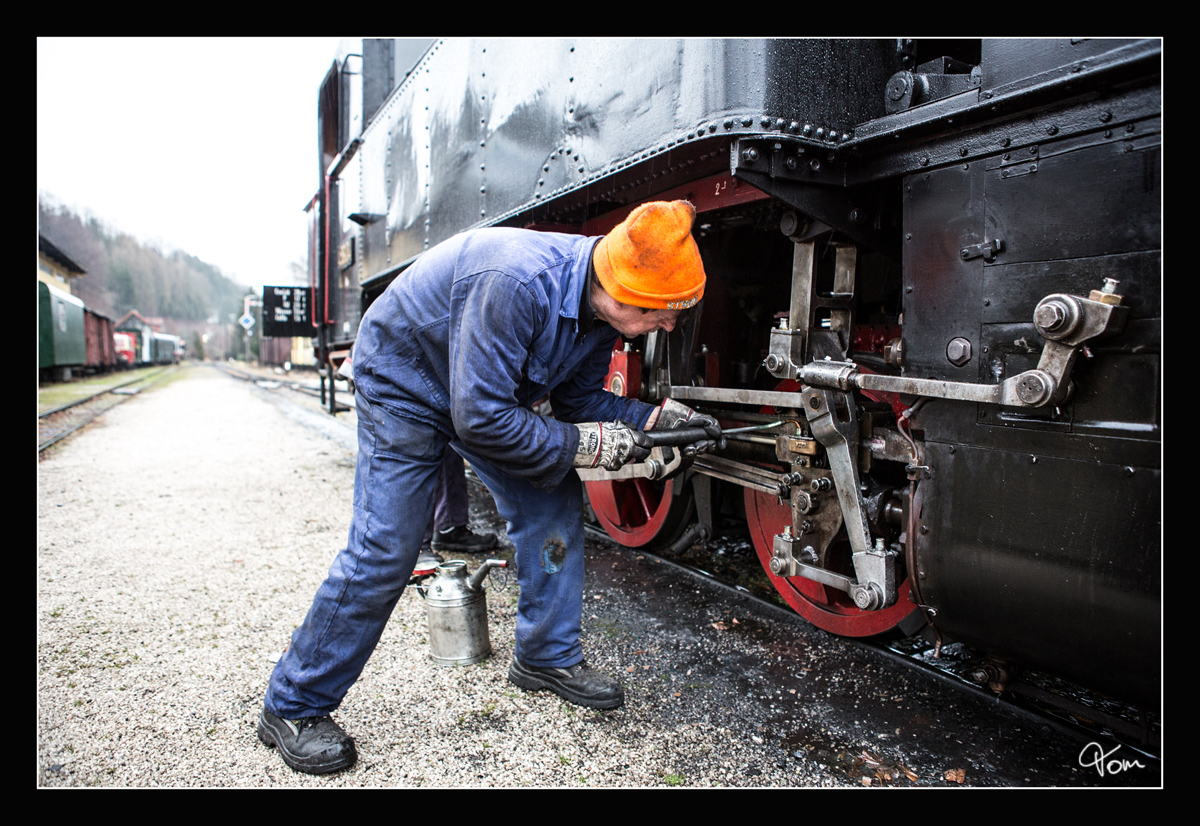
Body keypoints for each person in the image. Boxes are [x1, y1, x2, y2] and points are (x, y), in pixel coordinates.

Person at [257, 200, 722, 775]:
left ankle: (545, 657)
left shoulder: (599, 315)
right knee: (387, 548)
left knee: (551, 496)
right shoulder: (515, 282)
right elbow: (481, 418)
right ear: (623, 289)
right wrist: (584, 446)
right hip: (406, 381)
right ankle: (294, 704)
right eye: (663, 312)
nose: (670, 325)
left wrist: (652, 421)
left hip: (480, 393)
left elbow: (578, 403)